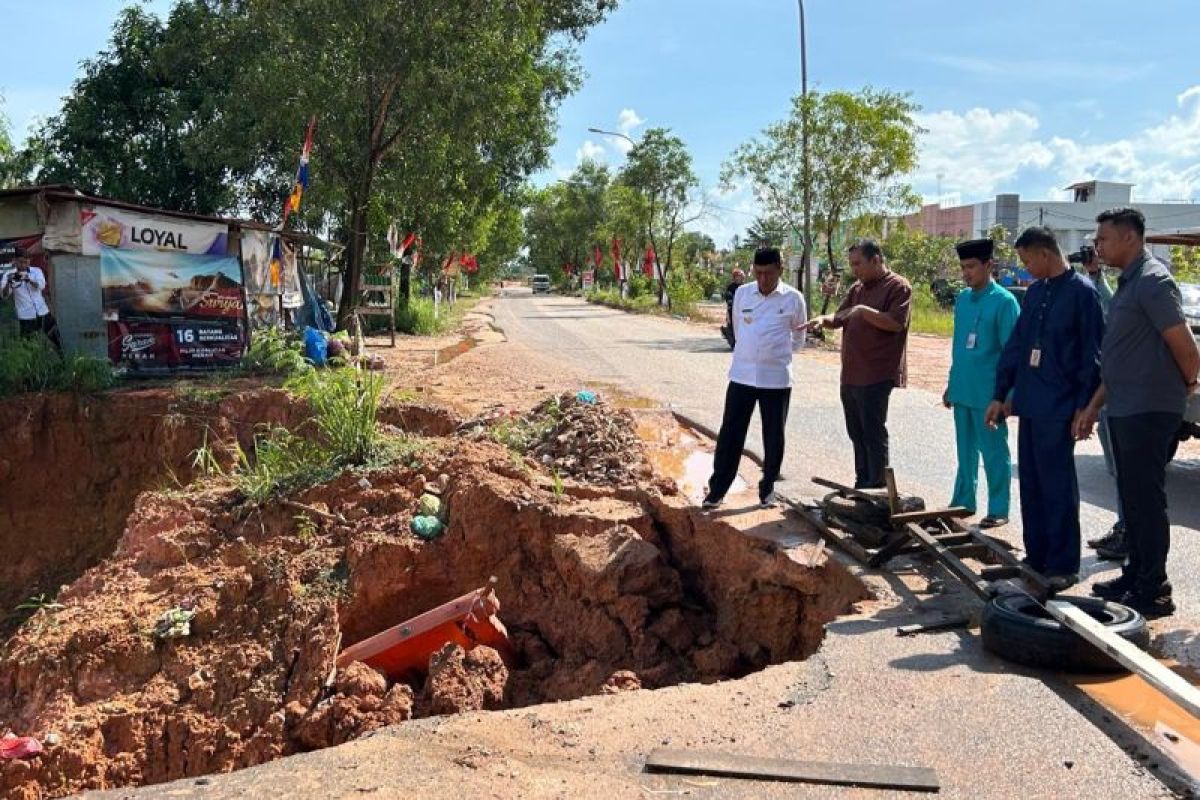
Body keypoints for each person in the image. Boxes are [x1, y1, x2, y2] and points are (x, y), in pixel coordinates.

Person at [1076, 208, 1200, 618]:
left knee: (1146, 503)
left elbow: (1186, 348)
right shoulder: (1127, 284)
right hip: (1126, 406)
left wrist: (1184, 386)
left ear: (1130, 238)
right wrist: (1094, 407)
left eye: (1104, 239)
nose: (1098, 246)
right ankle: (1135, 575)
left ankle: (1155, 589)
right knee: (1132, 502)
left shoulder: (1153, 282)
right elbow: (1121, 358)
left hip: (1148, 408)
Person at [985, 226, 1104, 592]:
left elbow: (1092, 356)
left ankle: (1062, 562)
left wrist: (1085, 407)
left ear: (1045, 255)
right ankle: (1037, 554)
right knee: (1033, 483)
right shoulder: (1035, 293)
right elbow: (1017, 348)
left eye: (1026, 261)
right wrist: (1001, 392)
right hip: (1032, 403)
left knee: (1056, 485)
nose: (1025, 269)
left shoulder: (1082, 293)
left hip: (1061, 405)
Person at [703, 248, 807, 509]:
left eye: (768, 273)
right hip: (742, 376)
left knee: (774, 436)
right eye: (758, 273)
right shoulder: (742, 293)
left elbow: (798, 339)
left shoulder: (794, 299)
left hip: (776, 380)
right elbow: (738, 329)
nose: (762, 279)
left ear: (780, 270)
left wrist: (773, 356)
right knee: (730, 434)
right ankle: (717, 491)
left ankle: (767, 489)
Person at [808, 239, 912, 489]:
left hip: (877, 373)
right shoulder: (857, 289)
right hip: (851, 374)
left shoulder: (898, 287)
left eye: (858, 264)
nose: (854, 270)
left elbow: (896, 322)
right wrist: (824, 319)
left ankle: (877, 488)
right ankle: (862, 483)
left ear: (876, 260)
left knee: (873, 432)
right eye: (852, 264)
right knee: (856, 432)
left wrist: (864, 311)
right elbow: (840, 317)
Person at [943, 238, 1020, 527]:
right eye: (963, 267)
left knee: (994, 453)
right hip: (963, 389)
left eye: (972, 267)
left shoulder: (1004, 302)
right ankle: (963, 502)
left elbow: (1012, 353)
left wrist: (1008, 395)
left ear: (990, 265)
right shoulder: (963, 299)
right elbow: (959, 347)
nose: (966, 273)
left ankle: (999, 509)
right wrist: (952, 383)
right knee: (965, 452)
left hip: (990, 395)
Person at [1079, 246, 1128, 560]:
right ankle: (1124, 526)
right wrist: (1095, 274)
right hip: (1108, 395)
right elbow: (1107, 305)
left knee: (1127, 471)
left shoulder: (1147, 285)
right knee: (1117, 470)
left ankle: (1129, 533)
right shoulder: (1122, 287)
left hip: (1126, 397)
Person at [0, 250, 61, 352]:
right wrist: (9, 283)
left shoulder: (36, 271)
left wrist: (29, 280)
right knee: (28, 347)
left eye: (26, 262)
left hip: (43, 313)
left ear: (30, 261)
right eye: (20, 262)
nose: (23, 265)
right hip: (26, 316)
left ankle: (64, 363)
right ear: (15, 261)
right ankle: (32, 367)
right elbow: (4, 295)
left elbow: (41, 286)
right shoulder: (9, 275)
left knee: (58, 340)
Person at [720, 268, 745, 347]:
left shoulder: (745, 287)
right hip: (733, 309)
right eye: (739, 276)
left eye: (741, 276)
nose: (740, 277)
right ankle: (729, 335)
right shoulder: (731, 287)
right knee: (732, 324)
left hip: (744, 310)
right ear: (735, 277)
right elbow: (728, 299)